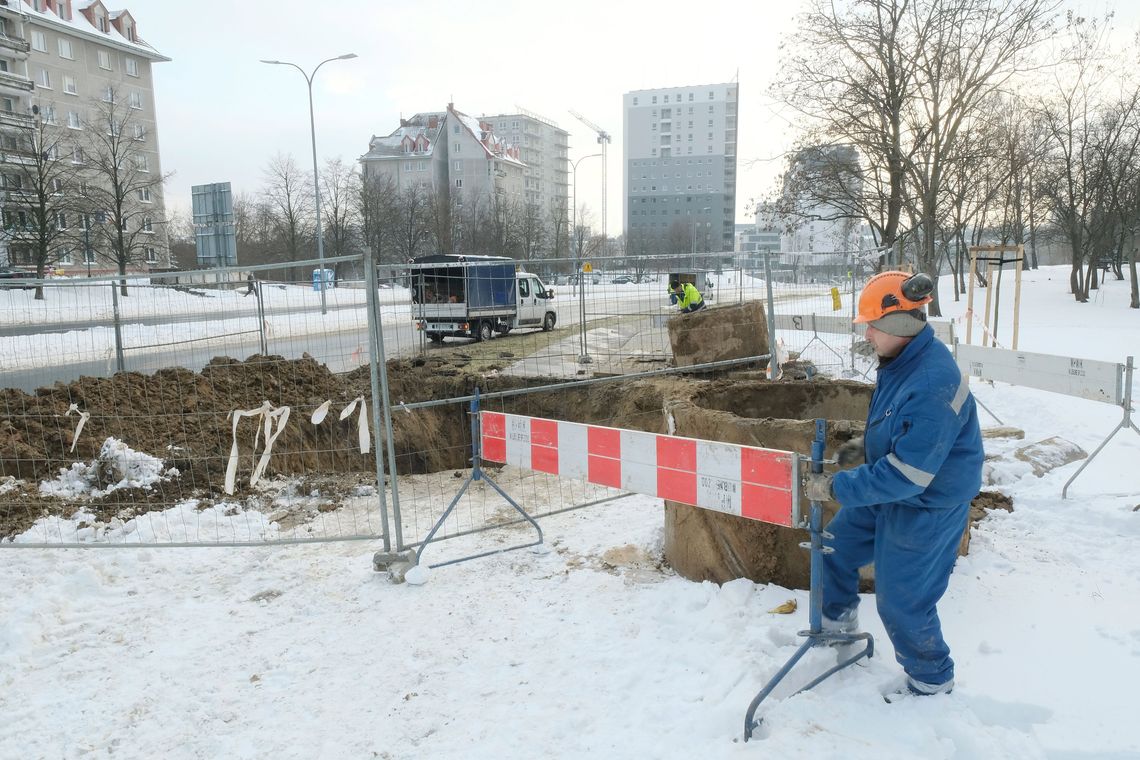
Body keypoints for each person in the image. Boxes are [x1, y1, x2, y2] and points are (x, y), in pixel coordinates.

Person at [803, 270, 983, 702]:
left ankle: (931, 681)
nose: (867, 333)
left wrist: (836, 487)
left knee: (903, 602)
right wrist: (861, 449)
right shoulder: (901, 360)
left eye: (873, 325)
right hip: (893, 486)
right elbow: (898, 431)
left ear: (901, 323)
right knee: (834, 548)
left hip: (927, 504)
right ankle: (837, 633)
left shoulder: (929, 382)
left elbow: (909, 474)